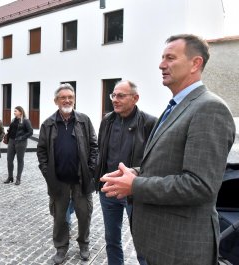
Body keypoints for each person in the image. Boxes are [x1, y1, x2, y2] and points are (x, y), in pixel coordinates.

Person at [100, 34, 236, 265]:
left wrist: (135, 185)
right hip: (162, 243)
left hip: (182, 248)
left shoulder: (209, 108)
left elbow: (200, 185)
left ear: (195, 63)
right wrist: (136, 172)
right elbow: (165, 164)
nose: (161, 64)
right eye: (162, 58)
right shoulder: (175, 107)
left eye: (170, 58)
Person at [95, 80, 156, 265]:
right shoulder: (107, 120)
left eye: (121, 95)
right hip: (109, 190)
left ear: (135, 98)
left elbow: (154, 160)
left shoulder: (149, 122)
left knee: (142, 243)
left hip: (134, 192)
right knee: (112, 240)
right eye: (113, 95)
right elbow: (101, 151)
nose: (115, 99)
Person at [37, 83, 98, 264]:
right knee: (59, 216)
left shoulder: (84, 120)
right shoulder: (48, 124)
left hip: (82, 180)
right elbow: (41, 151)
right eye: (63, 97)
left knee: (84, 214)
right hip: (58, 180)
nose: (67, 100)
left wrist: (91, 169)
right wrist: (48, 173)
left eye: (70, 97)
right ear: (56, 101)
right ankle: (61, 247)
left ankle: (84, 244)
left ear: (74, 99)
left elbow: (94, 146)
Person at [4, 106, 33, 185]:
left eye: (15, 111)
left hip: (21, 143)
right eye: (14, 111)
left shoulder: (26, 121)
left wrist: (22, 137)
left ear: (20, 112)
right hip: (11, 141)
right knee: (9, 159)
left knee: (20, 160)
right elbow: (12, 129)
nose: (14, 112)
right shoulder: (13, 120)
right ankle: (10, 177)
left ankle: (18, 178)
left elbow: (30, 132)